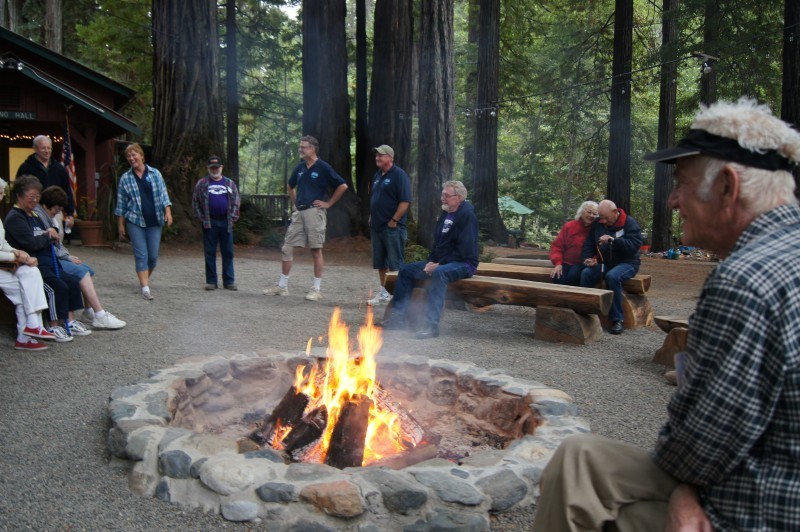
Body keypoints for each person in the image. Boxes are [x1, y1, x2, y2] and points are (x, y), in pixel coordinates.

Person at [531, 98, 800, 531]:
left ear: (727, 186)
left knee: (581, 477)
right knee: (580, 458)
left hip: (758, 506)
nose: (673, 201)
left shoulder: (744, 280)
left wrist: (689, 487)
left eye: (682, 183)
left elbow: (701, 446)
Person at [377, 180, 478, 339]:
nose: (442, 198)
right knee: (406, 270)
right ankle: (398, 319)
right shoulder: (445, 213)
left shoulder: (467, 216)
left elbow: (464, 250)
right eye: (442, 194)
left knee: (439, 273)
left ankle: (431, 326)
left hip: (463, 263)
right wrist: (431, 261)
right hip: (442, 261)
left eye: (446, 195)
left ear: (458, 197)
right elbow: (438, 244)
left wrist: (439, 264)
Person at [4, 175, 89, 342]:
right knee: (57, 287)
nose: (35, 200)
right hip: (33, 265)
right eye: (31, 197)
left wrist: (50, 232)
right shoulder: (15, 217)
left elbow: (46, 234)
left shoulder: (34, 215)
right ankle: (53, 325)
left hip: (48, 261)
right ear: (19, 195)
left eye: (37, 196)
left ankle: (69, 321)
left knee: (72, 282)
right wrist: (48, 236)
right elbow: (31, 243)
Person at [262, 135, 347, 301]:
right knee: (287, 247)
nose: (300, 149)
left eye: (304, 147)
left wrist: (329, 203)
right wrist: (296, 204)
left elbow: (342, 186)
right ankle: (282, 287)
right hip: (299, 213)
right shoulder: (300, 167)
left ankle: (316, 289)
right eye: (300, 146)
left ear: (313, 149)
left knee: (316, 250)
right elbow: (290, 186)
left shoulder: (323, 167)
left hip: (315, 213)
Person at [37, 186, 126, 329]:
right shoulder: (40, 216)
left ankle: (88, 310)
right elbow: (50, 243)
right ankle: (99, 314)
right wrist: (67, 257)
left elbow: (58, 244)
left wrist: (67, 256)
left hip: (58, 255)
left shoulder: (48, 216)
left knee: (87, 269)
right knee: (81, 271)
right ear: (47, 205)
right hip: (51, 258)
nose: (58, 212)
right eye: (57, 209)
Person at [0, 178, 55, 350]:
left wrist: (16, 251)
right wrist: (16, 256)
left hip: (4, 264)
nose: (2, 197)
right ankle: (26, 335)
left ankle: (32, 327)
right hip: (2, 266)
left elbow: (2, 243)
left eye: (2, 193)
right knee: (23, 290)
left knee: (31, 271)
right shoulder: (14, 216)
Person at [115, 143, 173, 301]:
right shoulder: (126, 178)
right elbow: (121, 204)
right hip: (135, 221)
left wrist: (168, 213)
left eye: (134, 154)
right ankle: (145, 288)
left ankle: (144, 280)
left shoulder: (155, 173)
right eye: (128, 156)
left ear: (141, 155)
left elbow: (164, 195)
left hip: (155, 220)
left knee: (152, 257)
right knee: (141, 255)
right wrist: (120, 224)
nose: (131, 158)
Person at [579, 199, 642, 334]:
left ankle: (617, 319)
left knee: (612, 277)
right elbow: (589, 244)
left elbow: (634, 246)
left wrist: (614, 240)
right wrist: (587, 259)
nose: (604, 221)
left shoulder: (629, 223)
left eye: (606, 218)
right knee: (586, 273)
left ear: (615, 212)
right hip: (606, 262)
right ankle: (587, 313)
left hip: (628, 262)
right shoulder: (598, 223)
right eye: (601, 217)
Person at [367, 144, 412, 306]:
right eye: (377, 155)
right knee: (381, 263)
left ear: (390, 158)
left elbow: (405, 201)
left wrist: (394, 220)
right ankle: (384, 292)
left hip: (393, 228)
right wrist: (372, 216)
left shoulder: (399, 175)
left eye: (381, 155)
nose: (377, 157)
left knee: (395, 263)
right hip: (377, 226)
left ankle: (398, 296)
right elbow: (376, 198)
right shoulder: (377, 175)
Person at [192, 155, 241, 291]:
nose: (215, 170)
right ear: (208, 168)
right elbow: (195, 202)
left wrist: (233, 217)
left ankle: (229, 281)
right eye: (212, 167)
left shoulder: (229, 183)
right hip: (209, 222)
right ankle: (211, 281)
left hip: (226, 222)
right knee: (209, 252)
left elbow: (236, 201)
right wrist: (201, 217)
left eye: (217, 167)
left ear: (221, 168)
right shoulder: (202, 183)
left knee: (228, 252)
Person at [16, 135, 76, 235]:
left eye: (49, 148)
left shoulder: (59, 169)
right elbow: (19, 190)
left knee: (57, 237)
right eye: (43, 148)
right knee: (37, 236)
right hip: (33, 209)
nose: (47, 151)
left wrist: (70, 213)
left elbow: (67, 191)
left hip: (55, 210)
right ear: (35, 148)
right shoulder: (25, 168)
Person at [549, 200, 598, 286]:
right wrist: (558, 263)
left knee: (573, 276)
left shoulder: (597, 229)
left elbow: (600, 249)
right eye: (589, 212)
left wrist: (594, 259)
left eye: (594, 214)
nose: (591, 215)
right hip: (565, 262)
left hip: (582, 263)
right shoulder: (569, 226)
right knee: (557, 276)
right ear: (581, 212)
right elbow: (557, 247)